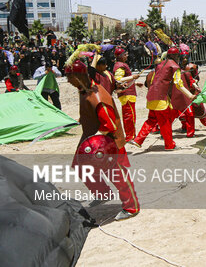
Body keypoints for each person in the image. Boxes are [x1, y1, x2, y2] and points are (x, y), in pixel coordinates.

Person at [65, 60, 139, 221]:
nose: (67, 81)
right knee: (80, 167)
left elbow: (109, 124)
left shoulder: (97, 96)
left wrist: (92, 145)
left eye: (69, 77)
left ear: (78, 76)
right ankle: (103, 193)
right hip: (92, 138)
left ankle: (131, 206)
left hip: (107, 141)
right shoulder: (84, 89)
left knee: (117, 174)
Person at [130, 47, 196, 150]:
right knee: (165, 122)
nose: (179, 58)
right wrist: (190, 95)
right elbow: (178, 84)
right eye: (178, 56)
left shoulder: (159, 65)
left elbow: (153, 80)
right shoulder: (174, 66)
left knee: (151, 120)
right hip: (161, 98)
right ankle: (170, 145)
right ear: (174, 56)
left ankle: (138, 140)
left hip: (151, 96)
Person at [113, 47, 142, 142]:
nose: (127, 56)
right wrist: (132, 77)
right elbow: (118, 79)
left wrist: (134, 82)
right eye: (125, 54)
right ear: (120, 56)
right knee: (129, 116)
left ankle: (131, 135)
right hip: (126, 95)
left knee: (129, 115)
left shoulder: (121, 64)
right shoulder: (120, 66)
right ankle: (130, 136)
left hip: (128, 94)